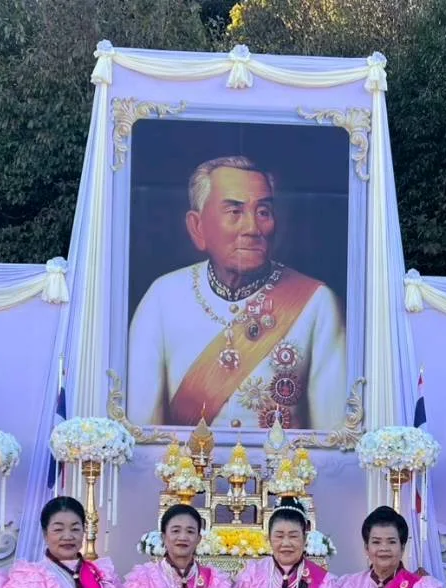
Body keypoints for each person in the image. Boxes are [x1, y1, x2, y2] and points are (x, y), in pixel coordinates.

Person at [126, 155, 347, 431]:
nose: (252, 228)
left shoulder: (317, 304)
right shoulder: (162, 298)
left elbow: (332, 437)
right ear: (197, 227)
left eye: (263, 212)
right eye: (234, 212)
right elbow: (142, 432)